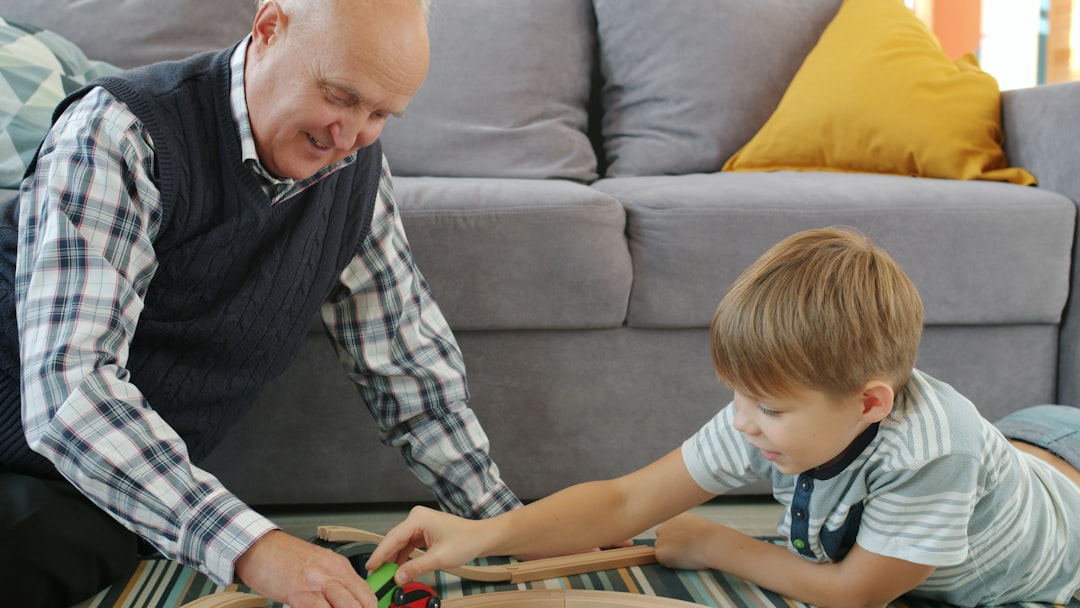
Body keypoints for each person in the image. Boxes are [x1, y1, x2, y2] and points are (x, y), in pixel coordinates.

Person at [0, 1, 523, 607]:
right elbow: (71, 388)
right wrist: (259, 549)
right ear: (270, 28)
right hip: (35, 437)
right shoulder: (118, 132)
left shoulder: (353, 170)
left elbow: (405, 360)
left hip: (98, 488)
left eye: (380, 113)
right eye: (340, 96)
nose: (351, 135)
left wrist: (502, 527)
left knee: (90, 537)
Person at [367, 226, 1080, 607]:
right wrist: (486, 533)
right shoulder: (777, 411)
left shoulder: (930, 456)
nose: (741, 423)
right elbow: (625, 500)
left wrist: (718, 545)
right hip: (1028, 442)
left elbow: (857, 593)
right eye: (739, 396)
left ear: (869, 404)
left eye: (765, 407)